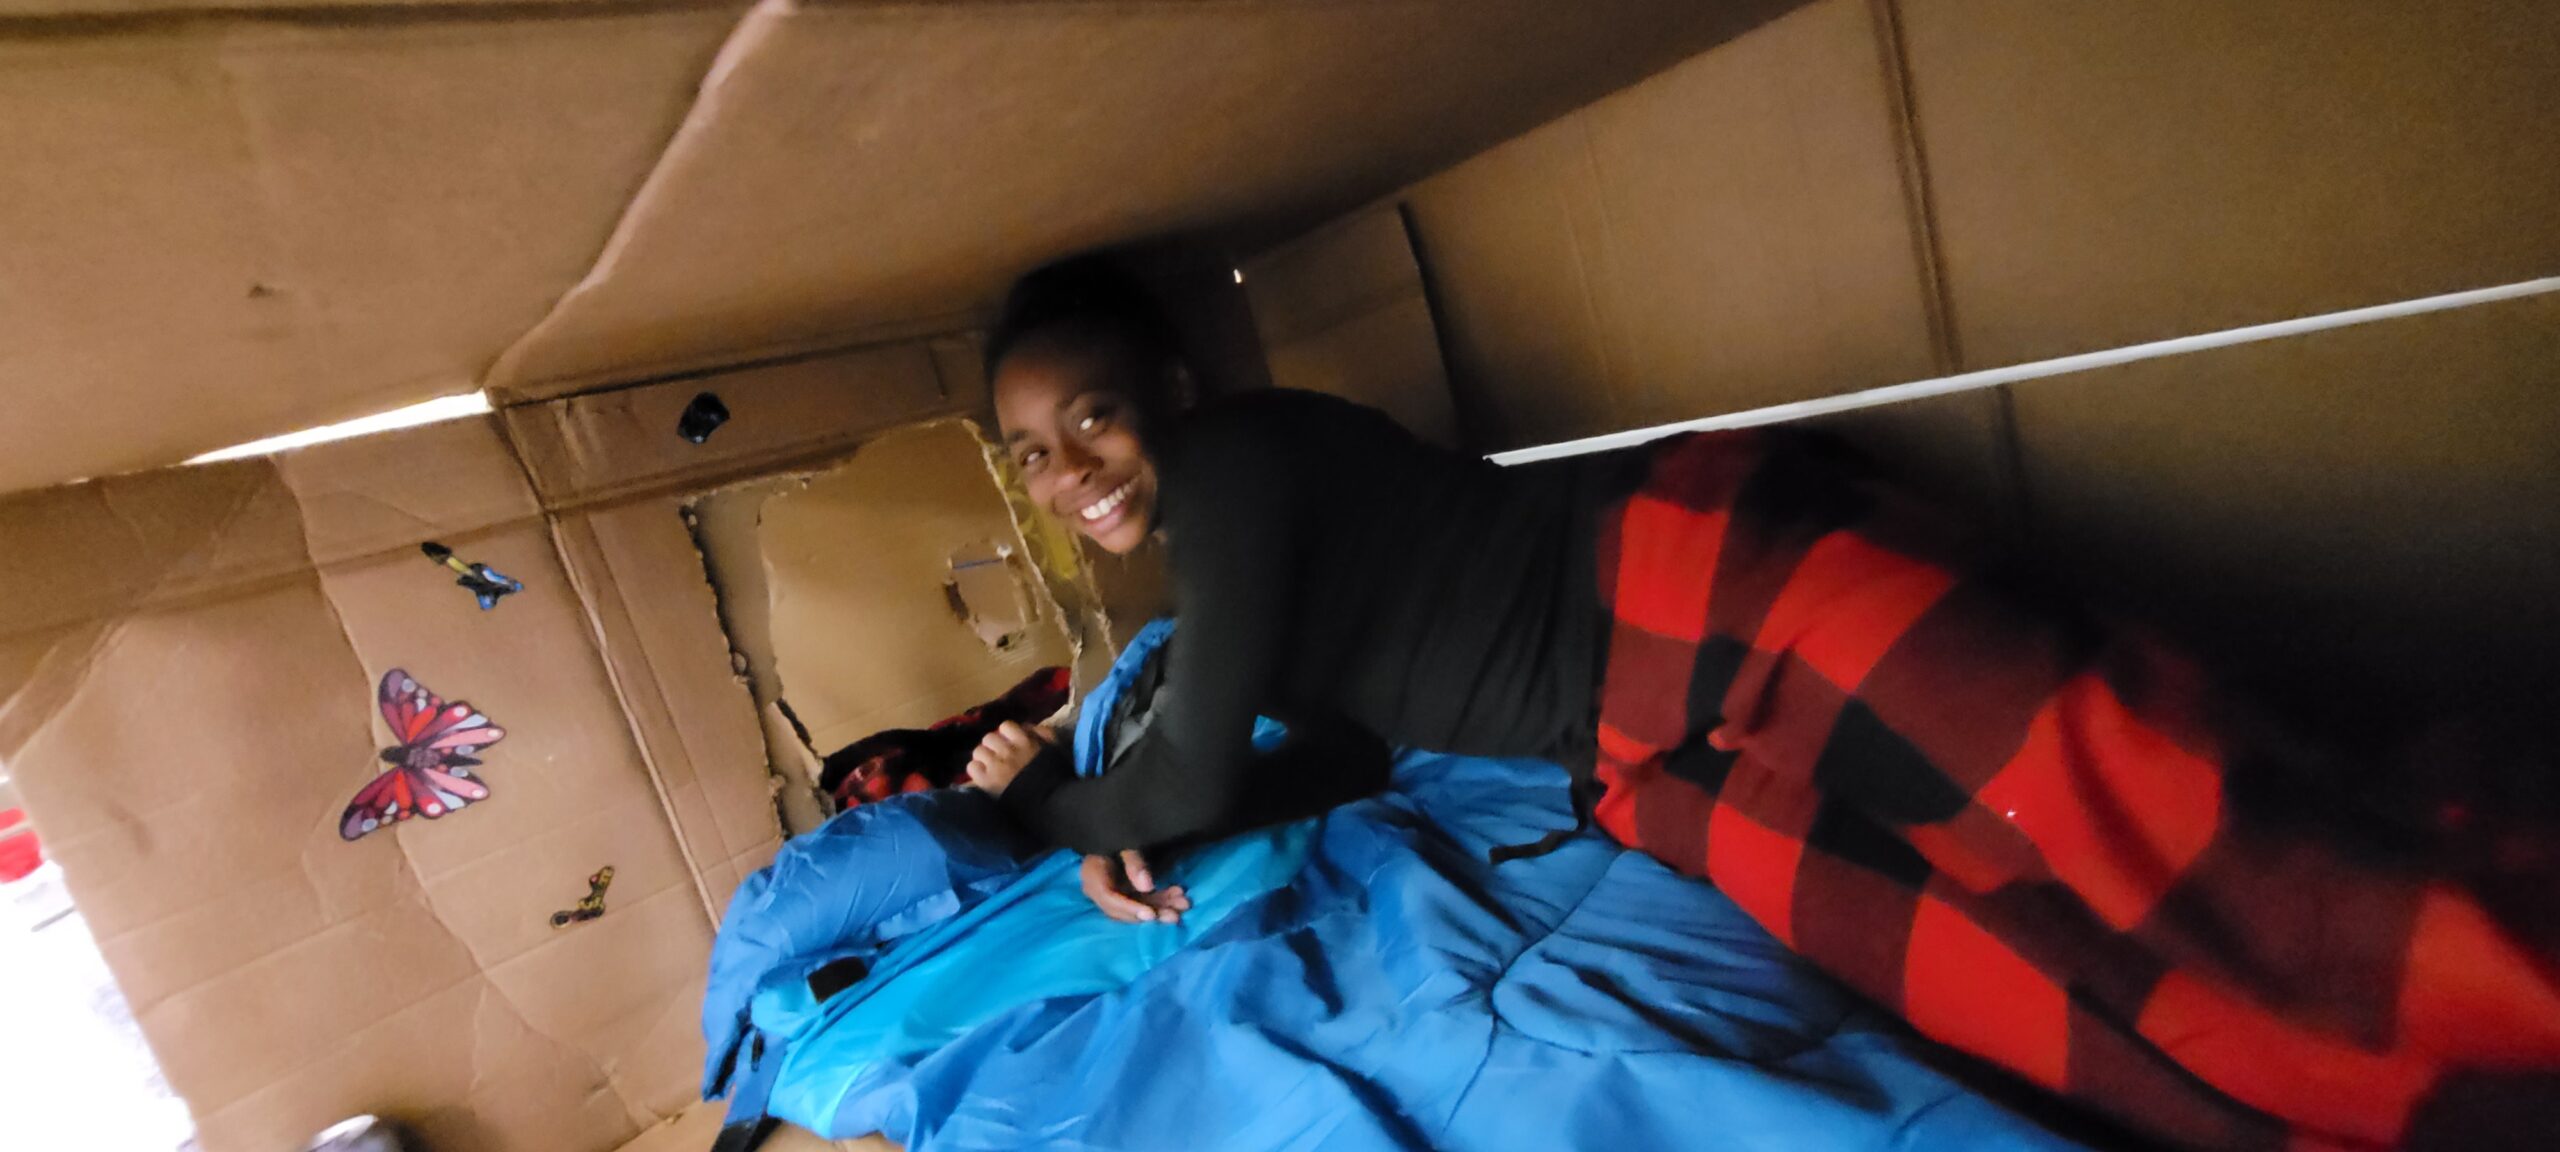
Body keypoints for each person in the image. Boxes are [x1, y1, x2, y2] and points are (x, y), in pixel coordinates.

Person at [963, 254, 2559, 1150]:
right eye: (1033, 451)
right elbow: (1335, 748)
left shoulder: (1236, 462)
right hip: (1658, 722)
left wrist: (1035, 809)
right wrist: (1147, 821)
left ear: (1168, 392)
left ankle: (2501, 995)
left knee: (2187, 841)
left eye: (1090, 415)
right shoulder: (1205, 551)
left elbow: (1171, 775)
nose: (1070, 470)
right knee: (2025, 959)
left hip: (1722, 585)